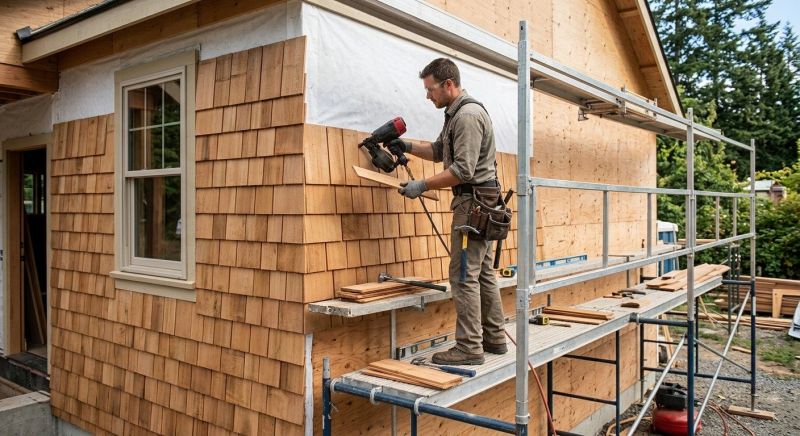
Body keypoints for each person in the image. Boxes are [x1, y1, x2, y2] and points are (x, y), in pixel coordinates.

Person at [393, 58, 506, 365]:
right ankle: (494, 338)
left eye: (430, 90)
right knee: (482, 274)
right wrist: (406, 147)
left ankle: (469, 347)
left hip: (472, 207)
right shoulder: (455, 113)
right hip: (481, 203)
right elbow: (441, 151)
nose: (428, 96)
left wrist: (422, 186)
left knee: (462, 276)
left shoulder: (467, 115)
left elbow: (463, 170)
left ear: (448, 85)